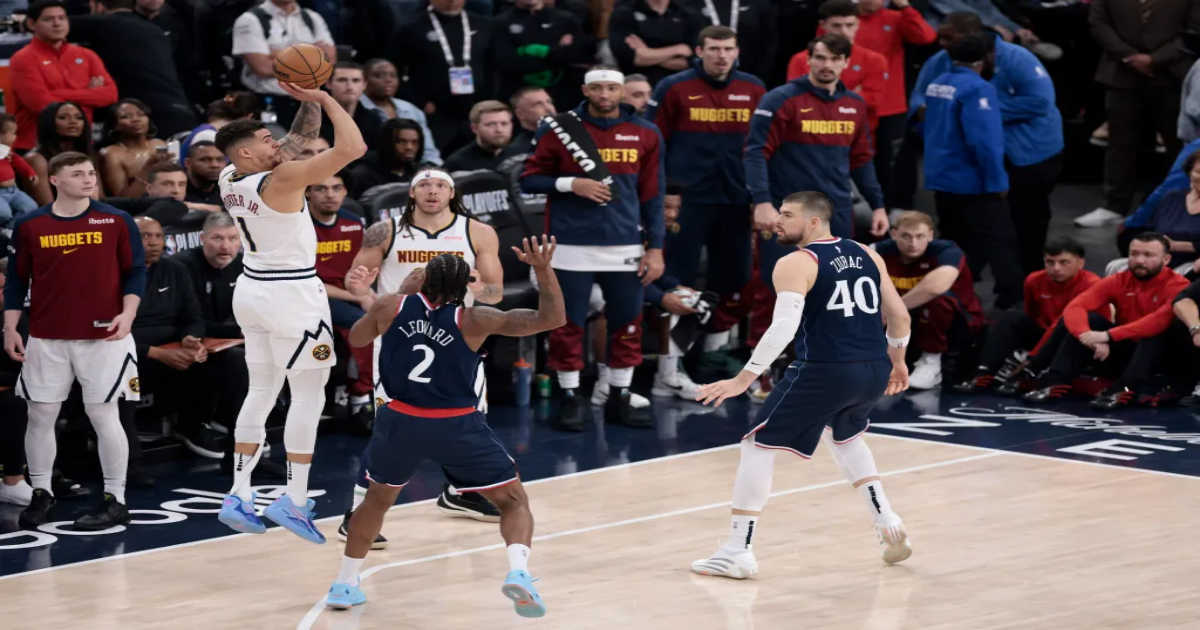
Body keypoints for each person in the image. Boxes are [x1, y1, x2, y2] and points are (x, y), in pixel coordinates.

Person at [324, 237, 565, 615]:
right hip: (455, 425)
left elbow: (357, 337)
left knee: (376, 500)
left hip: (400, 422)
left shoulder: (390, 306)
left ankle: (344, 583)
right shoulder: (476, 319)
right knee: (513, 502)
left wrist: (401, 293)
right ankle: (518, 572)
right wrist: (543, 269)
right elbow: (551, 319)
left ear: (423, 281)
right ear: (465, 286)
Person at [689, 191, 913, 579]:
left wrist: (744, 378)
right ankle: (887, 520)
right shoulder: (867, 253)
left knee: (757, 445)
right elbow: (899, 316)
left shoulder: (797, 262)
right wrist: (898, 361)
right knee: (845, 437)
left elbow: (783, 328)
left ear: (814, 221)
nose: (777, 221)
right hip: (873, 368)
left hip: (826, 369)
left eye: (787, 215)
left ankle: (737, 551)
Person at [213, 81, 367, 543]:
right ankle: (294, 500)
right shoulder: (280, 180)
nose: (276, 143)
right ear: (247, 152)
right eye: (266, 140)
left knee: (261, 388)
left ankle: (238, 494)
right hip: (292, 295)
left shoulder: (230, 176)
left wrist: (307, 98)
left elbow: (297, 139)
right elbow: (353, 148)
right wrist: (328, 99)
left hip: (251, 289)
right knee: (308, 395)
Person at [340, 167, 504, 530]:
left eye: (441, 185)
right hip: (402, 337)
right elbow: (356, 285)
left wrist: (477, 286)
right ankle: (356, 513)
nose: (433, 191)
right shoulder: (385, 230)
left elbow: (495, 293)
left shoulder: (478, 232)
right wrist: (359, 287)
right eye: (425, 185)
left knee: (468, 420)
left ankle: (461, 492)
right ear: (412, 193)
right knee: (391, 428)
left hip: (456, 338)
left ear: (452, 193)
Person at [3, 151, 146, 530]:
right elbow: (17, 279)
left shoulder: (115, 219)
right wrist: (11, 327)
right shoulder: (30, 223)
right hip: (46, 336)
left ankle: (115, 499)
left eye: (91, 173)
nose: (88, 179)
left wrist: (129, 313)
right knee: (40, 415)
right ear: (55, 180)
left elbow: (135, 271)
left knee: (104, 414)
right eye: (78, 174)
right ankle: (42, 493)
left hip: (106, 335)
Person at [519, 67, 666, 431]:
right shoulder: (557, 128)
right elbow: (528, 180)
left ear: (622, 91)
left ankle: (620, 395)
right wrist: (571, 184)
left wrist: (656, 248)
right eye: (597, 88)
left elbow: (653, 195)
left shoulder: (647, 132)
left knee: (627, 323)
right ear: (585, 90)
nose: (604, 94)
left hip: (626, 244)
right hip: (569, 244)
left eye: (612, 88)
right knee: (566, 324)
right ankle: (571, 398)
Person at [644, 25, 765, 378]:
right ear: (700, 51)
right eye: (714, 48)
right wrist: (663, 195)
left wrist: (759, 196)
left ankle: (713, 352)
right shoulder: (673, 87)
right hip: (686, 203)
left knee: (735, 277)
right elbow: (653, 144)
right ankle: (673, 363)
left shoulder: (754, 88)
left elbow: (763, 146)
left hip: (735, 200)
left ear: (737, 51)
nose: (721, 56)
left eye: (727, 49)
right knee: (676, 278)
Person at [911, 12, 1062, 277]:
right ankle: (962, 285)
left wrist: (975, 110)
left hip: (1029, 153)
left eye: (949, 38)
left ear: (973, 38)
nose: (941, 43)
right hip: (969, 159)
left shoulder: (1017, 58)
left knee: (1027, 222)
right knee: (965, 227)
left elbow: (1040, 101)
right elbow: (918, 99)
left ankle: (1029, 283)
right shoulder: (940, 61)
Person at [1019, 233, 1191, 409]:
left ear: (1166, 259)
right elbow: (1075, 307)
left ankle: (1125, 387)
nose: (1139, 260)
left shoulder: (1179, 285)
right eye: (1134, 254)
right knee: (1090, 319)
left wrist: (1107, 336)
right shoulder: (1119, 280)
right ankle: (1055, 380)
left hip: (1160, 357)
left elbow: (1158, 321)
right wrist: (1087, 336)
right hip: (1126, 349)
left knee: (1156, 332)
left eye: (1148, 255)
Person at [131, 216, 247, 459]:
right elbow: (107, 333)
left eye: (159, 236)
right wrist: (157, 353)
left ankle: (234, 436)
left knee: (234, 359)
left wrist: (191, 339)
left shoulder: (174, 270)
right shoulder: (106, 274)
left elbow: (192, 317)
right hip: (134, 352)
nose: (154, 242)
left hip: (175, 346)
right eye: (144, 236)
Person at [921, 32, 1023, 308]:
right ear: (986, 56)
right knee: (1000, 239)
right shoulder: (978, 89)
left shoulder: (937, 83)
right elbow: (984, 142)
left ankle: (952, 297)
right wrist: (997, 181)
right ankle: (1012, 301)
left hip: (941, 178)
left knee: (954, 241)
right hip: (973, 181)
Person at [1081, 0, 1194, 227]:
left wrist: (1154, 59)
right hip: (1121, 72)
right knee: (1120, 143)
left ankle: (1180, 206)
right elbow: (1099, 23)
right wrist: (1130, 57)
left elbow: (1194, 30)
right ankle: (1113, 205)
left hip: (1172, 74)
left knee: (1178, 144)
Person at [955, 238, 1099, 393]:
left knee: (1065, 324)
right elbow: (1032, 314)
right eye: (1050, 262)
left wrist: (1032, 359)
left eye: (1064, 263)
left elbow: (1074, 325)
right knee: (1013, 316)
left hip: (1076, 340)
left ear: (1080, 263)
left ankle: (1033, 373)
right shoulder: (1034, 280)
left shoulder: (1092, 285)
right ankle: (984, 373)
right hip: (1046, 334)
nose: (1056, 268)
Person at [872, 211, 984, 390]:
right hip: (903, 322)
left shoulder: (947, 251)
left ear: (930, 235)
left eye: (920, 236)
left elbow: (935, 287)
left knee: (936, 299)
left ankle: (931, 363)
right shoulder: (878, 251)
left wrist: (893, 310)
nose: (913, 243)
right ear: (894, 234)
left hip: (957, 323)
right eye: (906, 236)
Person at [850, 0, 936, 210]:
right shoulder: (845, 21)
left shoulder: (896, 18)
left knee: (891, 162)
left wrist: (905, 7)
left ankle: (892, 209)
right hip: (855, 101)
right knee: (858, 158)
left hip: (890, 103)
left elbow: (926, 36)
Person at [67, 0, 197, 137]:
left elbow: (55, 24)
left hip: (144, 118)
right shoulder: (157, 30)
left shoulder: (101, 24)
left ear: (98, 6)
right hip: (181, 112)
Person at [8, 0, 118, 152]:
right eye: (48, 19)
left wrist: (58, 94)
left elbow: (111, 94)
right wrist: (89, 95)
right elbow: (40, 104)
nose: (57, 24)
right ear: (32, 24)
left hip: (81, 143)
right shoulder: (23, 59)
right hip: (36, 145)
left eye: (62, 18)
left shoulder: (87, 55)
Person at [307, 172, 373, 419]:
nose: (330, 195)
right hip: (310, 296)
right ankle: (360, 398)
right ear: (307, 193)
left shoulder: (353, 223)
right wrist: (358, 298)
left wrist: (369, 294)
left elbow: (357, 270)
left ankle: (389, 393)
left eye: (337, 188)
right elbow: (305, 282)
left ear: (345, 192)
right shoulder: (297, 226)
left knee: (393, 313)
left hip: (346, 292)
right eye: (321, 188)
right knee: (362, 324)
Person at [392, 0, 497, 155]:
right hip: (436, 113)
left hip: (475, 110)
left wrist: (488, 102)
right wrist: (420, 102)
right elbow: (394, 71)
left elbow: (494, 67)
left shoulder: (484, 24)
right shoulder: (411, 27)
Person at [786, 0, 887, 132]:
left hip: (856, 133)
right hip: (810, 132)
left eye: (849, 25)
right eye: (836, 26)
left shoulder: (874, 60)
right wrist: (852, 94)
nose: (844, 32)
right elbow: (797, 99)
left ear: (858, 24)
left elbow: (873, 100)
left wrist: (821, 92)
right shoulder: (801, 60)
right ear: (823, 25)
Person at [231, 0, 336, 124]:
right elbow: (262, 67)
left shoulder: (312, 18)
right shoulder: (250, 20)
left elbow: (330, 60)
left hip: (310, 103)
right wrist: (311, 54)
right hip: (269, 104)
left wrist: (275, 54)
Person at [495, 0, 589, 109]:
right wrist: (557, 51)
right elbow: (507, 63)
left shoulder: (566, 19)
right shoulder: (500, 22)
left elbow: (577, 56)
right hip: (518, 94)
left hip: (564, 93)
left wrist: (532, 52)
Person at [359, 59, 442, 165]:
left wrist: (431, 167)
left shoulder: (410, 109)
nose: (388, 80)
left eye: (393, 76)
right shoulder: (356, 109)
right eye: (379, 75)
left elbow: (428, 151)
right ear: (363, 80)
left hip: (412, 168)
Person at [607, 0, 706, 87]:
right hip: (638, 84)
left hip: (680, 84)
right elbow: (633, 58)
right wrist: (677, 49)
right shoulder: (624, 14)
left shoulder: (689, 15)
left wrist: (647, 54)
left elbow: (692, 61)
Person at [25, 102, 96, 206]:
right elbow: (48, 207)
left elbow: (98, 198)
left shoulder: (88, 154)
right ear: (49, 122)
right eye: (63, 117)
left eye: (79, 117)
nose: (73, 122)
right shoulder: (36, 159)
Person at [99, 99, 172, 198]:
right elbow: (123, 199)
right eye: (126, 116)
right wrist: (148, 167)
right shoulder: (111, 154)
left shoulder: (159, 144)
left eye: (141, 114)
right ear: (115, 125)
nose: (136, 119)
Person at [349, 119, 425, 199]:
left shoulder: (420, 173)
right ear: (387, 143)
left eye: (414, 142)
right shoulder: (363, 176)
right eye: (401, 141)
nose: (409, 147)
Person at [318, 62, 384, 153]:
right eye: (342, 80)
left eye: (356, 80)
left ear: (364, 85)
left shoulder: (373, 119)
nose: (349, 86)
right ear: (328, 84)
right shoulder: (312, 119)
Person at [443, 100, 514, 173]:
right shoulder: (457, 163)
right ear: (475, 128)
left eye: (504, 124)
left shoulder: (518, 156)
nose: (499, 130)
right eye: (491, 124)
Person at [0, 115, 40, 227]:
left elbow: (18, 161)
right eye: (13, 133)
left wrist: (30, 173)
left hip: (13, 190)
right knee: (3, 213)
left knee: (30, 208)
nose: (16, 137)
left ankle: (9, 229)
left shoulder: (7, 151)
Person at [183, 141, 226, 210]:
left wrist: (218, 208)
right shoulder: (176, 186)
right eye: (205, 160)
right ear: (188, 163)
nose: (215, 165)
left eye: (220, 159)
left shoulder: (230, 187)